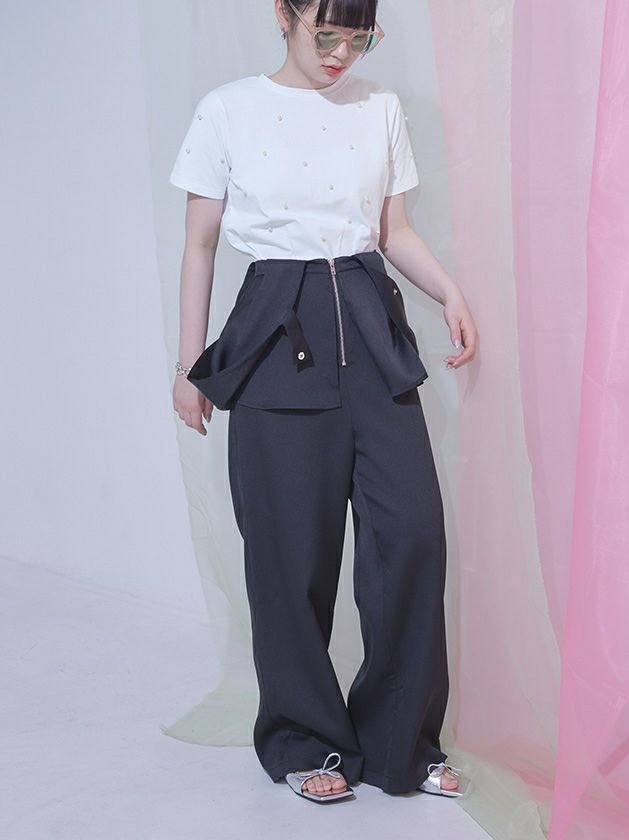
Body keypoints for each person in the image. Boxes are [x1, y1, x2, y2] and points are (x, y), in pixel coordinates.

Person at [169, 0, 478, 804]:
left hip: (370, 327)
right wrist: (189, 364)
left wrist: (448, 291)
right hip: (276, 334)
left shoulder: (380, 108)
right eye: (326, 33)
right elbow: (199, 243)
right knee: (289, 555)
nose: (342, 53)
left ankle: (402, 741)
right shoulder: (228, 109)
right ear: (284, 13)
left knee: (411, 535)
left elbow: (392, 230)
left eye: (359, 37)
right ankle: (305, 739)